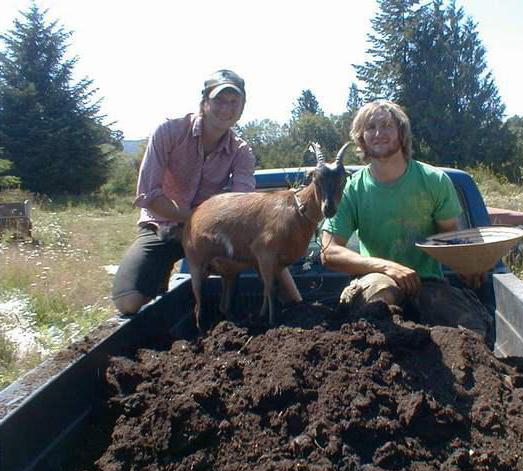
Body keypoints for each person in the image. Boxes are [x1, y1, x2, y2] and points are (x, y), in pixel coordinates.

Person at [113, 69, 301, 315]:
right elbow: (148, 196)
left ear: (242, 107)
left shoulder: (241, 152)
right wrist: (197, 218)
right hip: (164, 228)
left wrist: (215, 228)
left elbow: (243, 208)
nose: (226, 108)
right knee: (128, 302)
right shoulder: (169, 132)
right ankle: (158, 285)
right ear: (204, 102)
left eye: (234, 102)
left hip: (214, 235)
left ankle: (296, 306)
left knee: (265, 251)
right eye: (219, 100)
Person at [320, 100, 492, 340]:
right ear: (361, 138)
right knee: (379, 299)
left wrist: (469, 264)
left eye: (387, 126)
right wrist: (388, 267)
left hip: (428, 282)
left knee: (471, 331)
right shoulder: (352, 189)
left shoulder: (433, 180)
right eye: (370, 128)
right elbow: (329, 251)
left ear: (402, 133)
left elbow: (453, 239)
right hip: (376, 279)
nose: (378, 133)